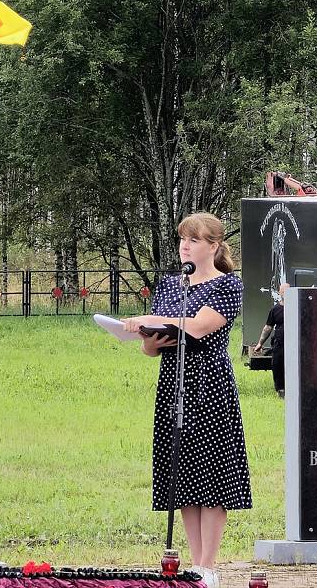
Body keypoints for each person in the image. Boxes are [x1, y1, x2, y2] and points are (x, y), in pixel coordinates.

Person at [123, 213, 251, 588]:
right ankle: (194, 564)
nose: (185, 246)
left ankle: (209, 564)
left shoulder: (228, 285)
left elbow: (198, 327)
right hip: (173, 381)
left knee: (210, 474)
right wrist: (148, 338)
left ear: (213, 246)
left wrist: (150, 317)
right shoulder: (170, 285)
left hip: (209, 383)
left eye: (194, 240)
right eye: (183, 239)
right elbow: (152, 348)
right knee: (183, 475)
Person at [250, 283, 286, 397]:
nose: (285, 293)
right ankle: (281, 390)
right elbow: (268, 327)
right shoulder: (275, 309)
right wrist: (260, 343)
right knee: (277, 365)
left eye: (288, 291)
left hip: (295, 344)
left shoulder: (298, 306)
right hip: (279, 343)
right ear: (280, 293)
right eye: (283, 291)